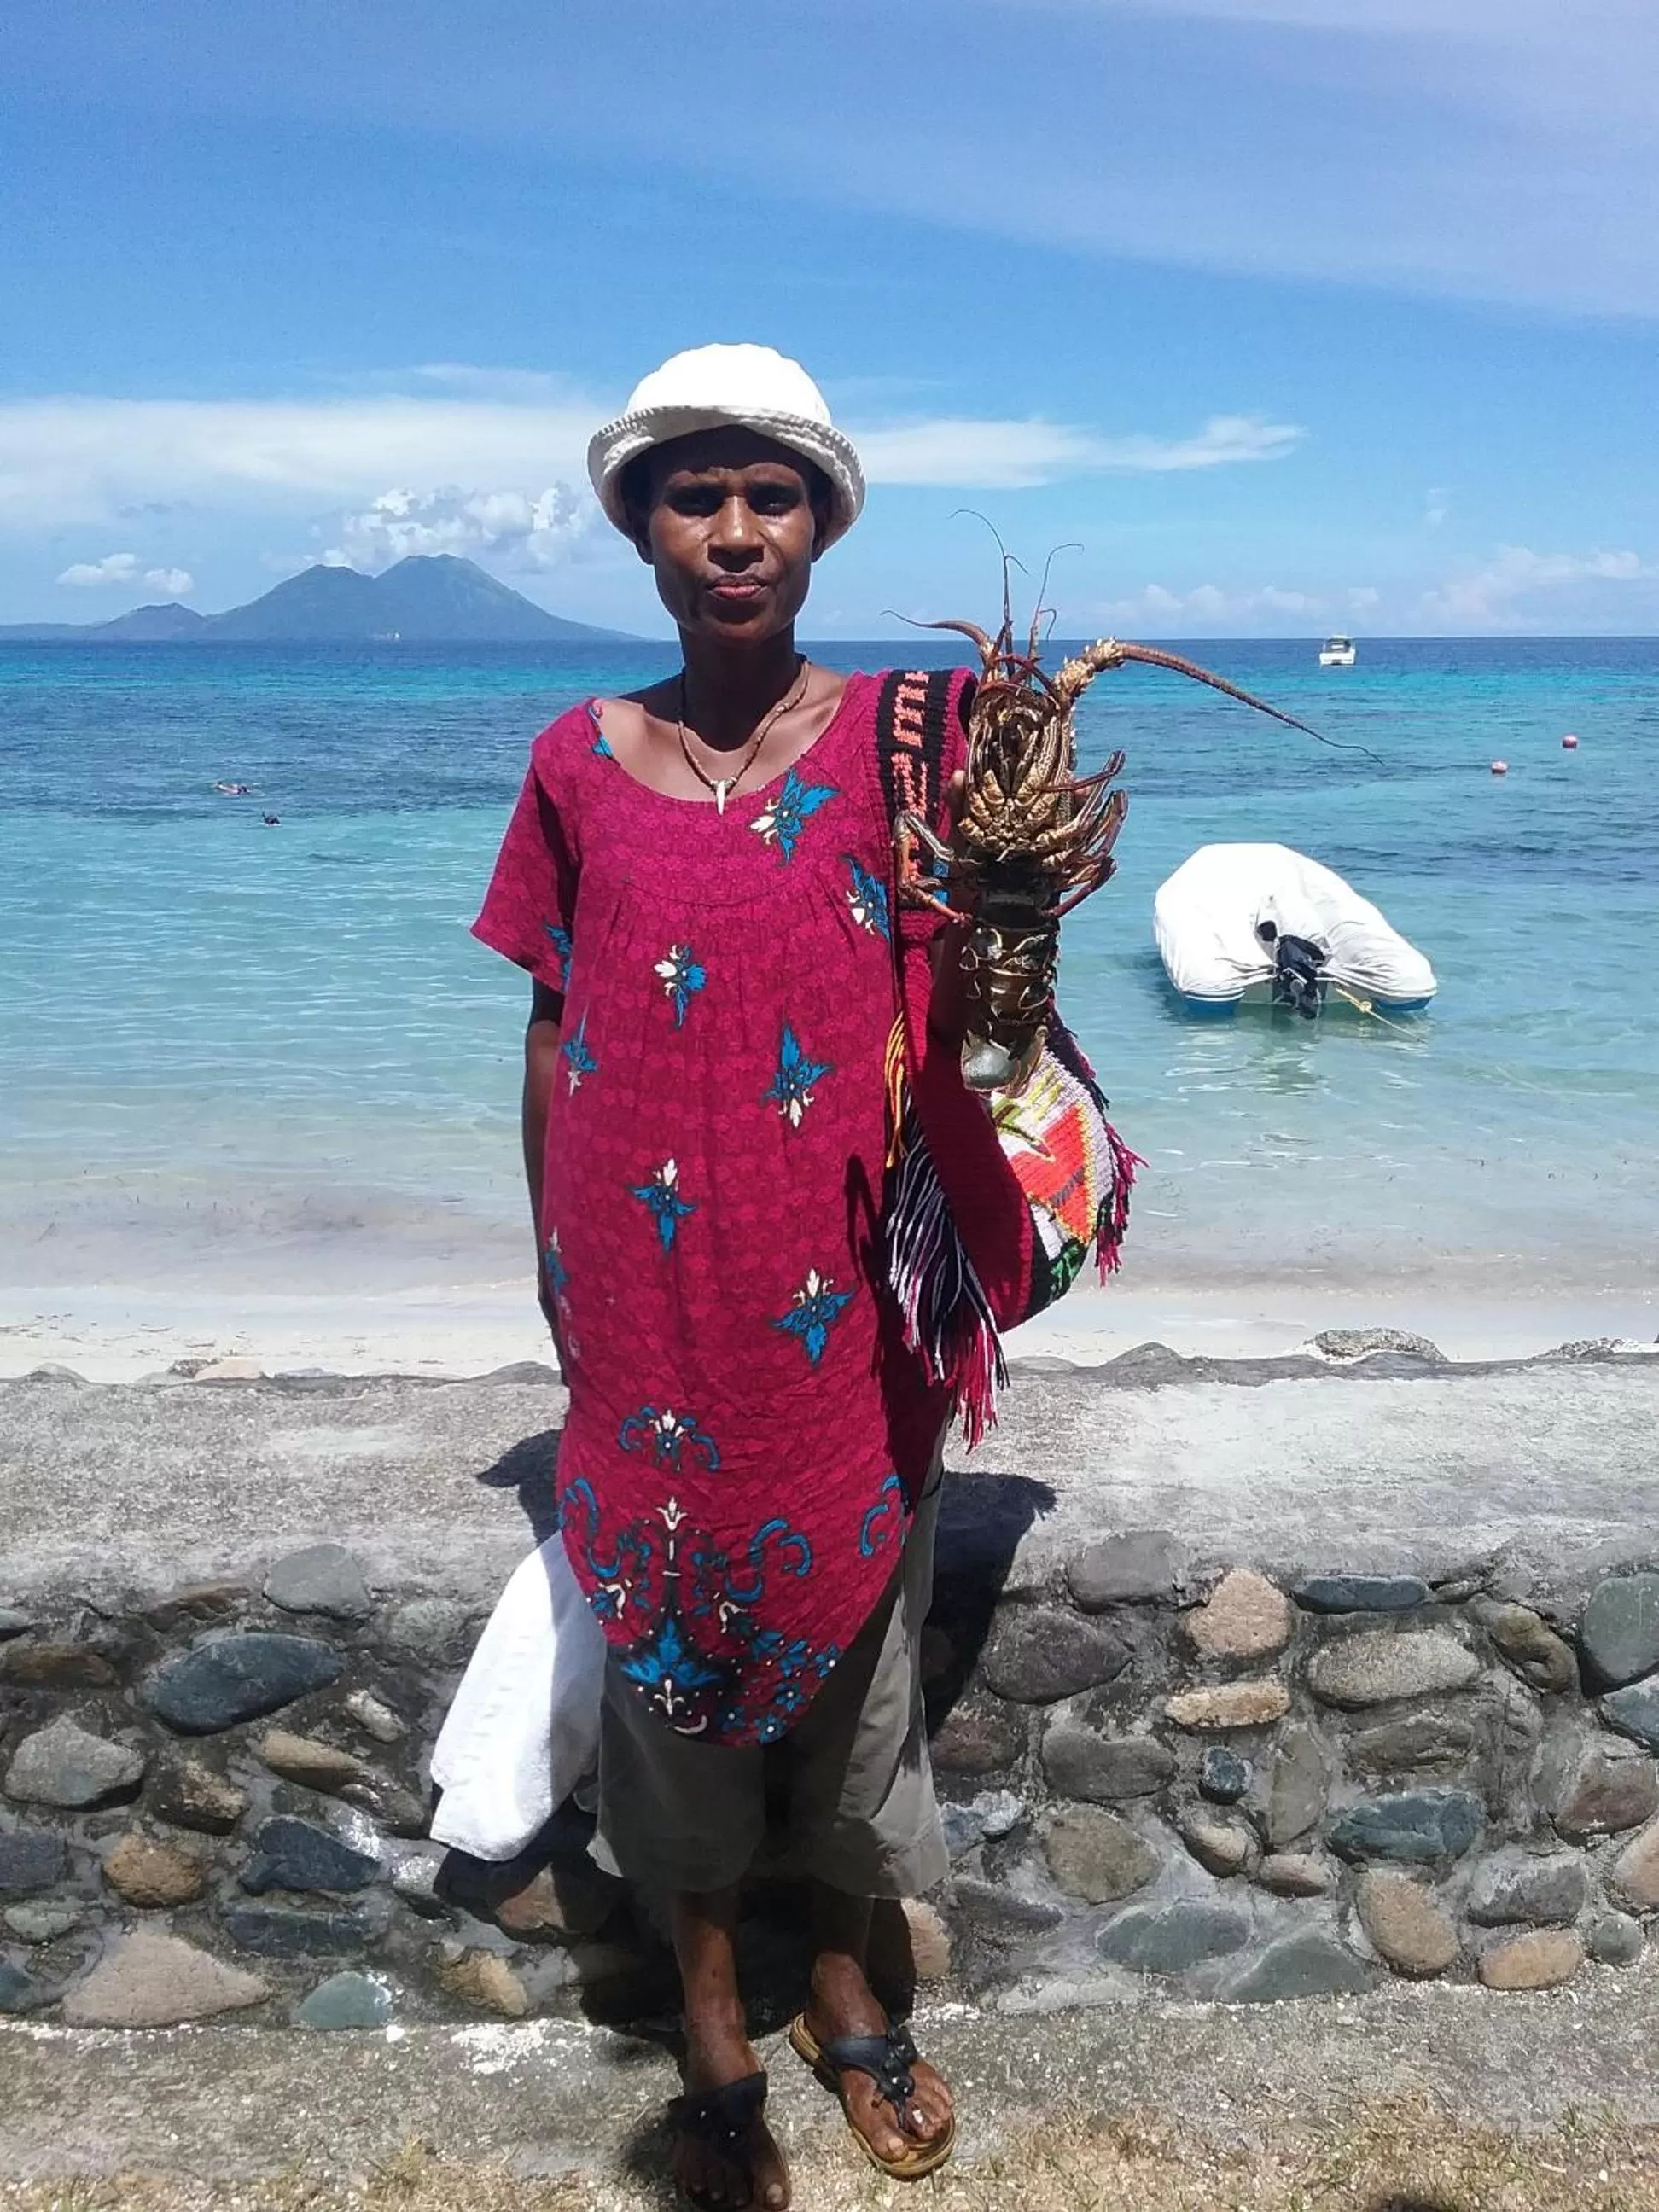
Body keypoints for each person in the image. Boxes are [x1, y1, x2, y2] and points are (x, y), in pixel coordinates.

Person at [472, 344, 971, 2209]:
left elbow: (985, 995)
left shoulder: (906, 745)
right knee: (674, 1693)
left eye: (774, 495)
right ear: (642, 530)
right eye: (697, 495)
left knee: (859, 1678)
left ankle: (842, 1983)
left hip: (854, 1306)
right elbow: (548, 1023)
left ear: (824, 527)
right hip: (646, 1311)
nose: (737, 529)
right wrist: (550, 1253)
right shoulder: (571, 762)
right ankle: (705, 2027)